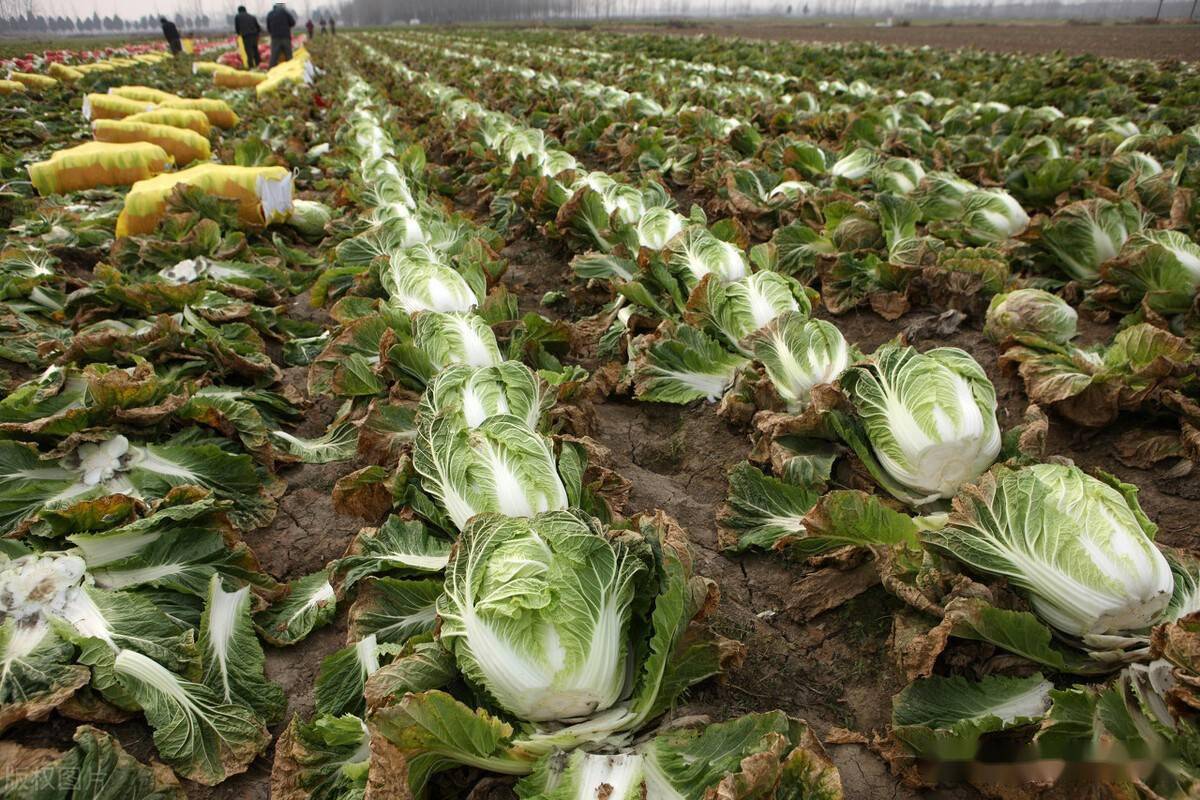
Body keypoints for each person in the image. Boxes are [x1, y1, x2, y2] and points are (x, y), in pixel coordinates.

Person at [266, 2, 296, 67]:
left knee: (274, 56)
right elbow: (293, 22)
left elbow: (268, 27)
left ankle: (271, 72)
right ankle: (291, 70)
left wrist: (273, 32)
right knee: (288, 55)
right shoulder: (284, 12)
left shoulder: (270, 14)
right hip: (285, 37)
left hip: (275, 38)